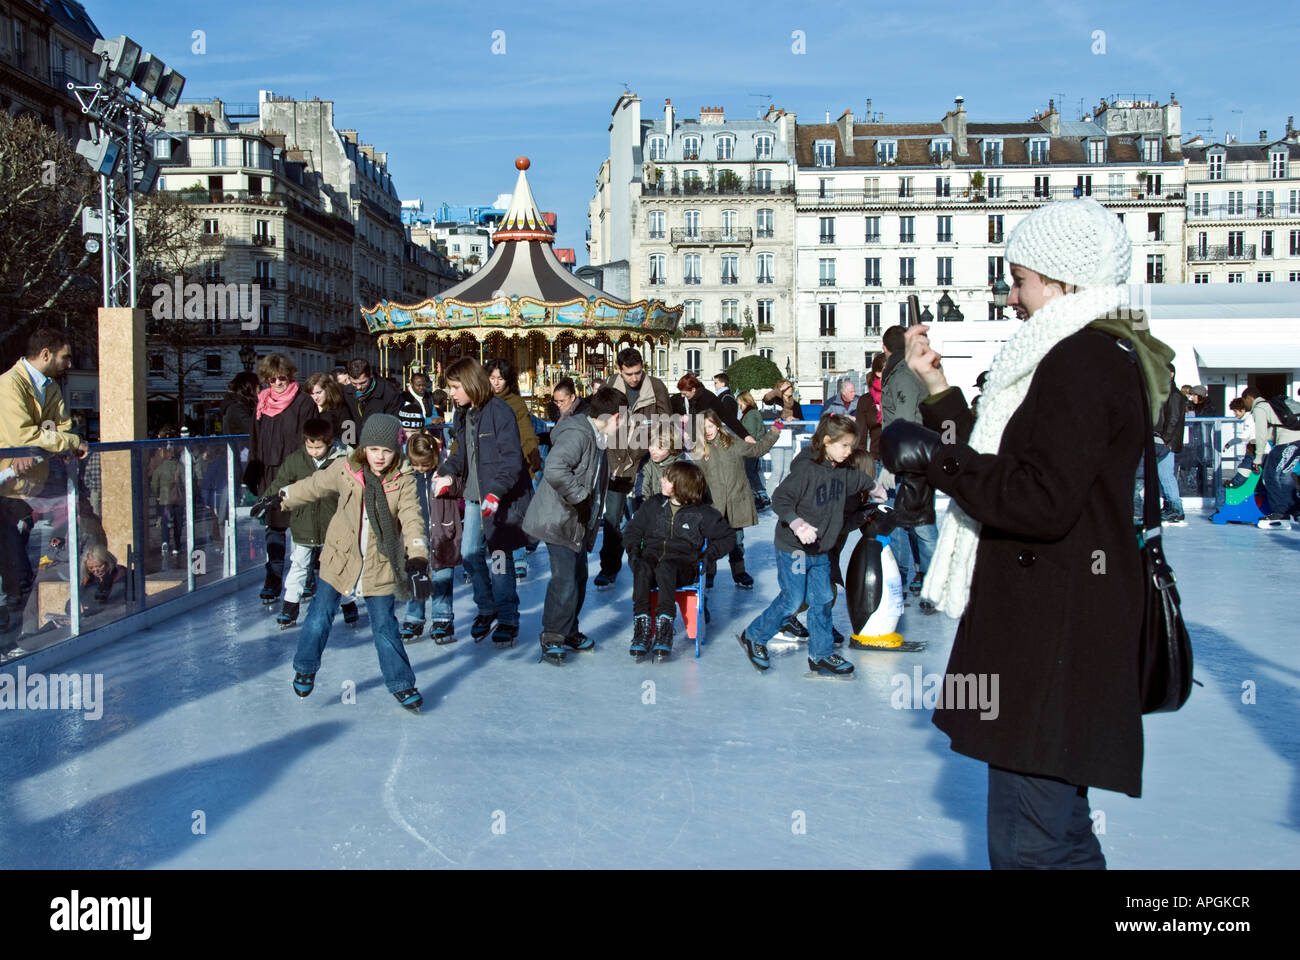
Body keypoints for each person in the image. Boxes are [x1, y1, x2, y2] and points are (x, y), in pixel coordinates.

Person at [880, 197, 1174, 868]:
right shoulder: (1086, 354)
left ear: (1062, 278)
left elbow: (1038, 500)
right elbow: (1005, 466)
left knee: (1031, 848)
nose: (1011, 297)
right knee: (1056, 835)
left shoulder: (1081, 360)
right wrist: (937, 389)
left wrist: (934, 455)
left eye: (1020, 280)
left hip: (1053, 640)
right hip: (1059, 633)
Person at [257, 413, 429, 712]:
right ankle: (305, 667)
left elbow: (412, 517)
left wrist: (417, 556)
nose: (380, 457)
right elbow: (313, 485)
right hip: (339, 557)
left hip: (380, 562)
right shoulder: (345, 468)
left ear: (395, 451)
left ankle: (402, 684)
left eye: (387, 451)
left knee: (385, 627)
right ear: (364, 447)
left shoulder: (403, 479)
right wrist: (279, 498)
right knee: (319, 616)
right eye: (374, 449)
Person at [739, 414, 870, 677]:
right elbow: (780, 499)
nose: (849, 452)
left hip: (820, 549)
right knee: (793, 600)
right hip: (794, 549)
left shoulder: (841, 470)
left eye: (851, 446)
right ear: (826, 441)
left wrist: (876, 488)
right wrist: (798, 524)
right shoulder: (806, 469)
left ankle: (821, 655)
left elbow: (859, 481)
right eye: (844, 446)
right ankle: (754, 635)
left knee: (822, 599)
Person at [431, 358, 533, 645]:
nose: (450, 393)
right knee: (471, 554)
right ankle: (487, 607)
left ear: (470, 383)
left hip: (500, 498)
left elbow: (512, 460)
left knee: (500, 559)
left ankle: (508, 617)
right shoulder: (464, 414)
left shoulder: (499, 411)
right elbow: (462, 454)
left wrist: (496, 492)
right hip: (475, 498)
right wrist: (444, 473)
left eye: (454, 387)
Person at [522, 386, 624, 665]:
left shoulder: (597, 435)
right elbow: (555, 469)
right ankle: (553, 635)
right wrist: (580, 497)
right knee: (565, 580)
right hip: (559, 517)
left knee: (577, 578)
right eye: (623, 418)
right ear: (613, 416)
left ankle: (568, 630)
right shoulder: (579, 433)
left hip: (574, 520)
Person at [0, 328, 87, 638]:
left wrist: (59, 442)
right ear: (46, 354)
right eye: (65, 357)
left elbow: (59, 425)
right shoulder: (10, 384)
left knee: (25, 554)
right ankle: (15, 618)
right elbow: (25, 436)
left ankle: (20, 615)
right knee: (14, 556)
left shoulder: (48, 387)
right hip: (8, 486)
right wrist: (66, 441)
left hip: (32, 485)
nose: (69, 364)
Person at [623, 461, 734, 661]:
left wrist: (709, 555)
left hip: (682, 566)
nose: (661, 480)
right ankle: (642, 625)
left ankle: (665, 627)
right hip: (652, 560)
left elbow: (728, 537)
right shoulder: (654, 505)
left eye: (667, 478)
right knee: (643, 566)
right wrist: (633, 553)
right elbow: (632, 531)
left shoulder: (702, 512)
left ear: (681, 485)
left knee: (666, 567)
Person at [594, 348, 673, 590]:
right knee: (611, 517)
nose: (635, 378)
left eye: (638, 372)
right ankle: (609, 567)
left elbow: (667, 423)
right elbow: (599, 417)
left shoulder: (656, 386)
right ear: (619, 370)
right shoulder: (609, 384)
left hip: (646, 461)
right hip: (617, 460)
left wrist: (663, 447)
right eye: (629, 374)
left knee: (647, 517)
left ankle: (647, 566)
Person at [246, 353, 318, 605]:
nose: (277, 383)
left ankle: (308, 577)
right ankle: (273, 579)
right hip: (269, 472)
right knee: (274, 530)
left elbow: (311, 439)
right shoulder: (263, 402)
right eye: (272, 379)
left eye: (282, 378)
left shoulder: (303, 402)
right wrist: (252, 471)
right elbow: (255, 438)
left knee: (302, 529)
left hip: (296, 473)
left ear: (291, 376)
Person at [880, 324, 939, 612]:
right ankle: (906, 579)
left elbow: (902, 422)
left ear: (885, 348)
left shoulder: (902, 374)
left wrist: (892, 463)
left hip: (910, 459)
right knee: (902, 521)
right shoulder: (899, 371)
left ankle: (930, 583)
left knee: (922, 522)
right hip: (911, 455)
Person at [270, 418, 348, 628]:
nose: (314, 451)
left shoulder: (343, 459)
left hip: (334, 524)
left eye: (319, 447)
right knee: (299, 565)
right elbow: (281, 482)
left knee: (340, 567)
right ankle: (290, 606)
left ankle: (349, 604)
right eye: (309, 446)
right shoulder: (296, 460)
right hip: (303, 523)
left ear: (330, 442)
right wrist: (269, 498)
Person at [692, 409, 781, 589]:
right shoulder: (700, 449)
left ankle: (739, 572)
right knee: (711, 540)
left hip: (735, 500)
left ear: (717, 425)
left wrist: (775, 431)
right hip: (713, 503)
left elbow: (757, 449)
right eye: (703, 427)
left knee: (736, 541)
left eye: (710, 425)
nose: (708, 430)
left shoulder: (732, 443)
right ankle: (709, 573)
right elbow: (696, 476)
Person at [400, 432, 461, 644]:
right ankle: (414, 617)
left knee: (442, 577)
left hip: (442, 534)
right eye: (416, 464)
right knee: (417, 577)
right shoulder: (406, 478)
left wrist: (449, 483)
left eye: (424, 464)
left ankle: (442, 618)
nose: (420, 469)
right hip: (415, 537)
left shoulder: (444, 472)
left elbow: (460, 487)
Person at [487, 358, 543, 582]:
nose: (496, 383)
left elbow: (526, 432)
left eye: (500, 379)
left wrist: (532, 454)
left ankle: (518, 557)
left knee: (513, 514)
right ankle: (498, 562)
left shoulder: (515, 403)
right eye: (492, 379)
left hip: (511, 467)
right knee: (494, 519)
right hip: (489, 466)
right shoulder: (481, 402)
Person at [1241, 387, 1300, 522]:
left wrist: (1258, 457)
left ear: (1249, 398)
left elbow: (1261, 434)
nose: (1245, 405)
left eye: (1245, 401)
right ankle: (1294, 509)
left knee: (1269, 476)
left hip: (1286, 443)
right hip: (1297, 443)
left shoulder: (1260, 408)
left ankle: (1279, 511)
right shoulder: (1272, 406)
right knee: (1285, 476)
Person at [762, 379, 804, 486]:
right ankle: (769, 497)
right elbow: (766, 399)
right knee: (778, 470)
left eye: (791, 387)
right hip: (777, 438)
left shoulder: (796, 405)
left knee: (787, 471)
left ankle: (782, 497)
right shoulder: (775, 402)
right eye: (788, 387)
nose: (791, 389)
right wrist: (778, 390)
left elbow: (802, 423)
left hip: (790, 438)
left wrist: (795, 420)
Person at [149, 440, 184, 565]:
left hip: (164, 500)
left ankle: (165, 542)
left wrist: (158, 495)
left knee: (165, 522)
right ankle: (177, 546)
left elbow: (154, 484)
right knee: (178, 523)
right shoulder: (180, 466)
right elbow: (187, 481)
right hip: (178, 500)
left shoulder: (160, 468)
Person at [738, 391, 771, 510]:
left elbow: (750, 433)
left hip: (750, 448)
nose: (739, 406)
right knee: (751, 472)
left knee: (750, 472)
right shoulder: (753, 413)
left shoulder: (750, 414)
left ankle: (761, 497)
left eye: (739, 403)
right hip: (753, 447)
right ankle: (760, 496)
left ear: (744, 401)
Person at [346, 358, 403, 424]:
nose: (359, 387)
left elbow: (393, 424)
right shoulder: (346, 392)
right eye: (354, 383)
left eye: (363, 383)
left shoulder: (389, 393)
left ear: (370, 374)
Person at [304, 371, 353, 444]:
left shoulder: (341, 409)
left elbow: (349, 439)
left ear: (328, 390)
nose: (315, 397)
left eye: (319, 392)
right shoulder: (307, 409)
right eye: (311, 394)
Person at [219, 372, 258, 437]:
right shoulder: (237, 408)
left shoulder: (236, 405)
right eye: (258, 386)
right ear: (250, 387)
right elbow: (254, 430)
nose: (260, 390)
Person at [712, 373, 751, 439]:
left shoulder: (726, 398)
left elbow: (728, 418)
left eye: (716, 383)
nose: (714, 385)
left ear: (723, 384)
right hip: (727, 432)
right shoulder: (725, 397)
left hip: (727, 433)